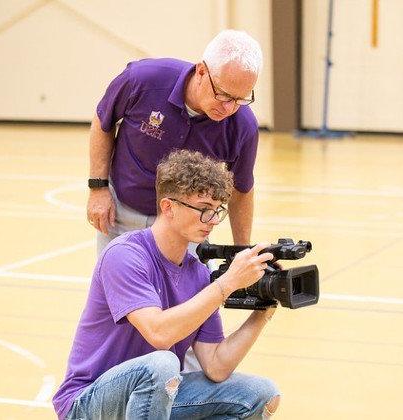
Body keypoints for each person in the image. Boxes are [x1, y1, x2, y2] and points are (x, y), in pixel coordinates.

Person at [54, 150, 280, 419]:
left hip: (153, 397)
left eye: (217, 210)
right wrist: (226, 284)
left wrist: (263, 310)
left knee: (261, 394)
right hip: (87, 402)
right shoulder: (125, 255)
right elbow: (159, 333)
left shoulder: (197, 273)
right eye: (203, 210)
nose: (213, 221)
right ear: (168, 207)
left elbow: (216, 365)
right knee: (162, 364)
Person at [86, 29, 263, 255]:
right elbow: (103, 121)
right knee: (118, 287)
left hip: (186, 229)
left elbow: (242, 189)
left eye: (240, 99)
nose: (229, 108)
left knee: (191, 292)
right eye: (224, 95)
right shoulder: (142, 80)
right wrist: (98, 188)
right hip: (121, 216)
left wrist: (241, 251)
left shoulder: (243, 126)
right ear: (201, 71)